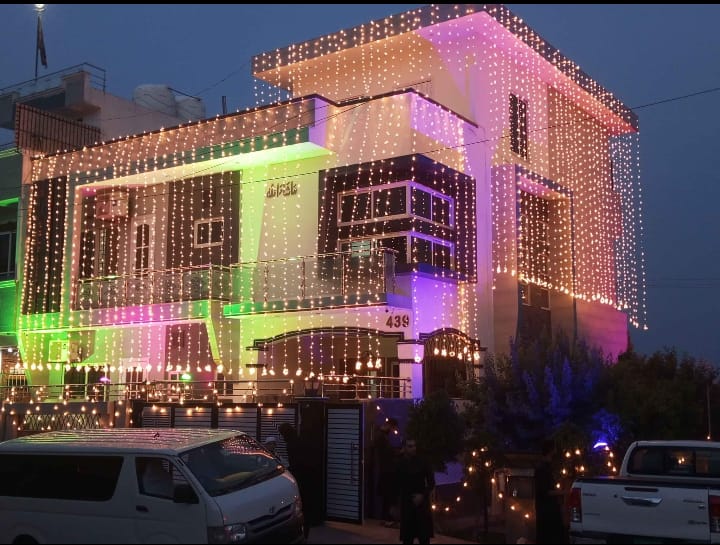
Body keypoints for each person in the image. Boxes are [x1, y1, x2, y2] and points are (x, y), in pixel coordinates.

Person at [397, 437, 435, 545]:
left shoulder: (423, 461)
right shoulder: (400, 463)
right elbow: (397, 484)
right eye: (410, 446)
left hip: (421, 504)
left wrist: (422, 495)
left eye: (414, 446)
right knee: (407, 538)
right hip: (407, 504)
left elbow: (431, 483)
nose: (413, 448)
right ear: (404, 448)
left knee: (424, 537)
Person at [279, 422, 310, 539]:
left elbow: (295, 463)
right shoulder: (299, 440)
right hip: (306, 476)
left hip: (299, 478)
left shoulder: (291, 445)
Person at [534, 438, 567, 544]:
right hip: (547, 509)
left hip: (547, 508)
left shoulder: (546, 466)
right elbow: (545, 491)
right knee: (550, 535)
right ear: (551, 449)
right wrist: (564, 492)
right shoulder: (542, 468)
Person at [372, 417, 400, 527]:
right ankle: (387, 519)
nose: (393, 432)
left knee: (386, 495)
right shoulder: (381, 437)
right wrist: (398, 452)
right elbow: (387, 453)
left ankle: (384, 518)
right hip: (386, 470)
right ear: (390, 426)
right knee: (388, 495)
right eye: (393, 429)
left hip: (384, 469)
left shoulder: (381, 435)